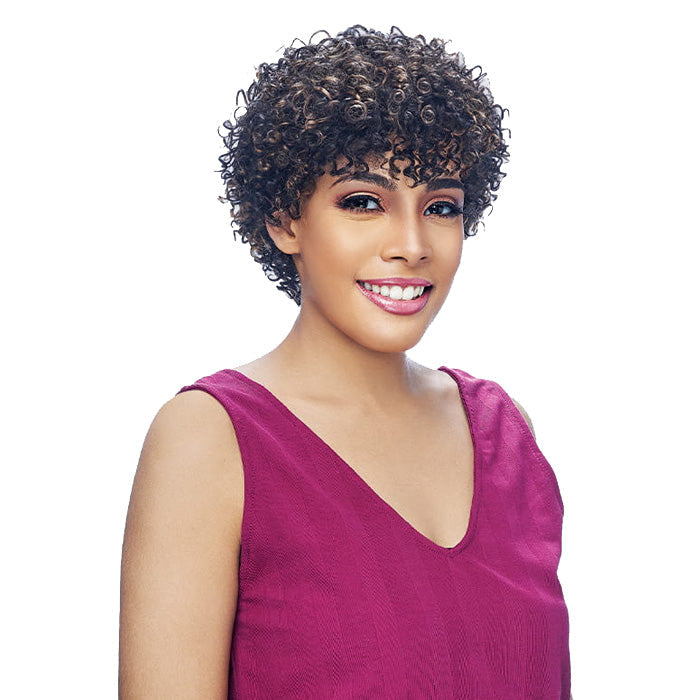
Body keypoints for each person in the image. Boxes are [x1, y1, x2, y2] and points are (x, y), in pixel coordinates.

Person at [119, 26, 571, 699]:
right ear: (284, 220)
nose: (412, 244)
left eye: (440, 207)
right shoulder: (209, 441)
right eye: (364, 202)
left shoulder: (509, 436)